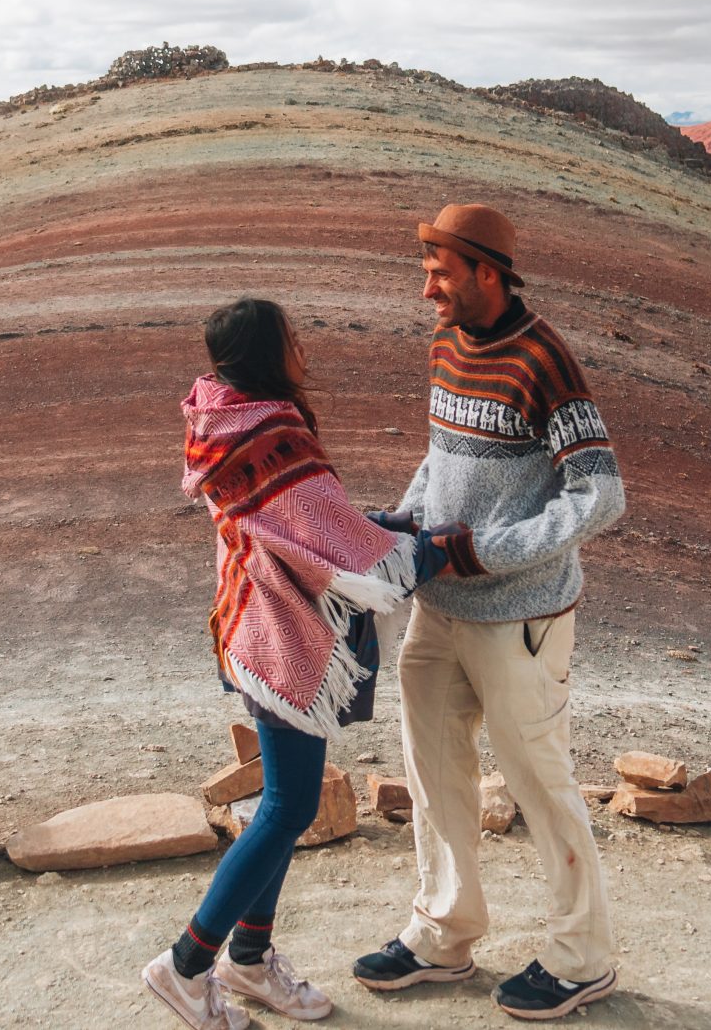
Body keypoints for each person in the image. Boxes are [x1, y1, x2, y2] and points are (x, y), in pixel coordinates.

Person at [144, 297, 468, 1030]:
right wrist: (431, 549)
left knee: (285, 803)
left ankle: (251, 959)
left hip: (249, 622)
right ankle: (186, 963)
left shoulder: (225, 423)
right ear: (266, 353)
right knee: (290, 804)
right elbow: (339, 541)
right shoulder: (274, 434)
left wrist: (378, 523)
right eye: (293, 339)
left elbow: (305, 525)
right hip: (282, 634)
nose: (304, 350)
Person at [354, 203, 626, 1021]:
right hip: (438, 607)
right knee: (436, 777)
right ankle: (445, 931)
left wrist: (483, 549)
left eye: (440, 270)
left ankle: (583, 958)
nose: (426, 284)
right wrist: (407, 521)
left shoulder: (544, 359)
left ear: (486, 271)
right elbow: (443, 457)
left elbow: (601, 493)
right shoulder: (445, 344)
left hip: (519, 616)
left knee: (541, 782)